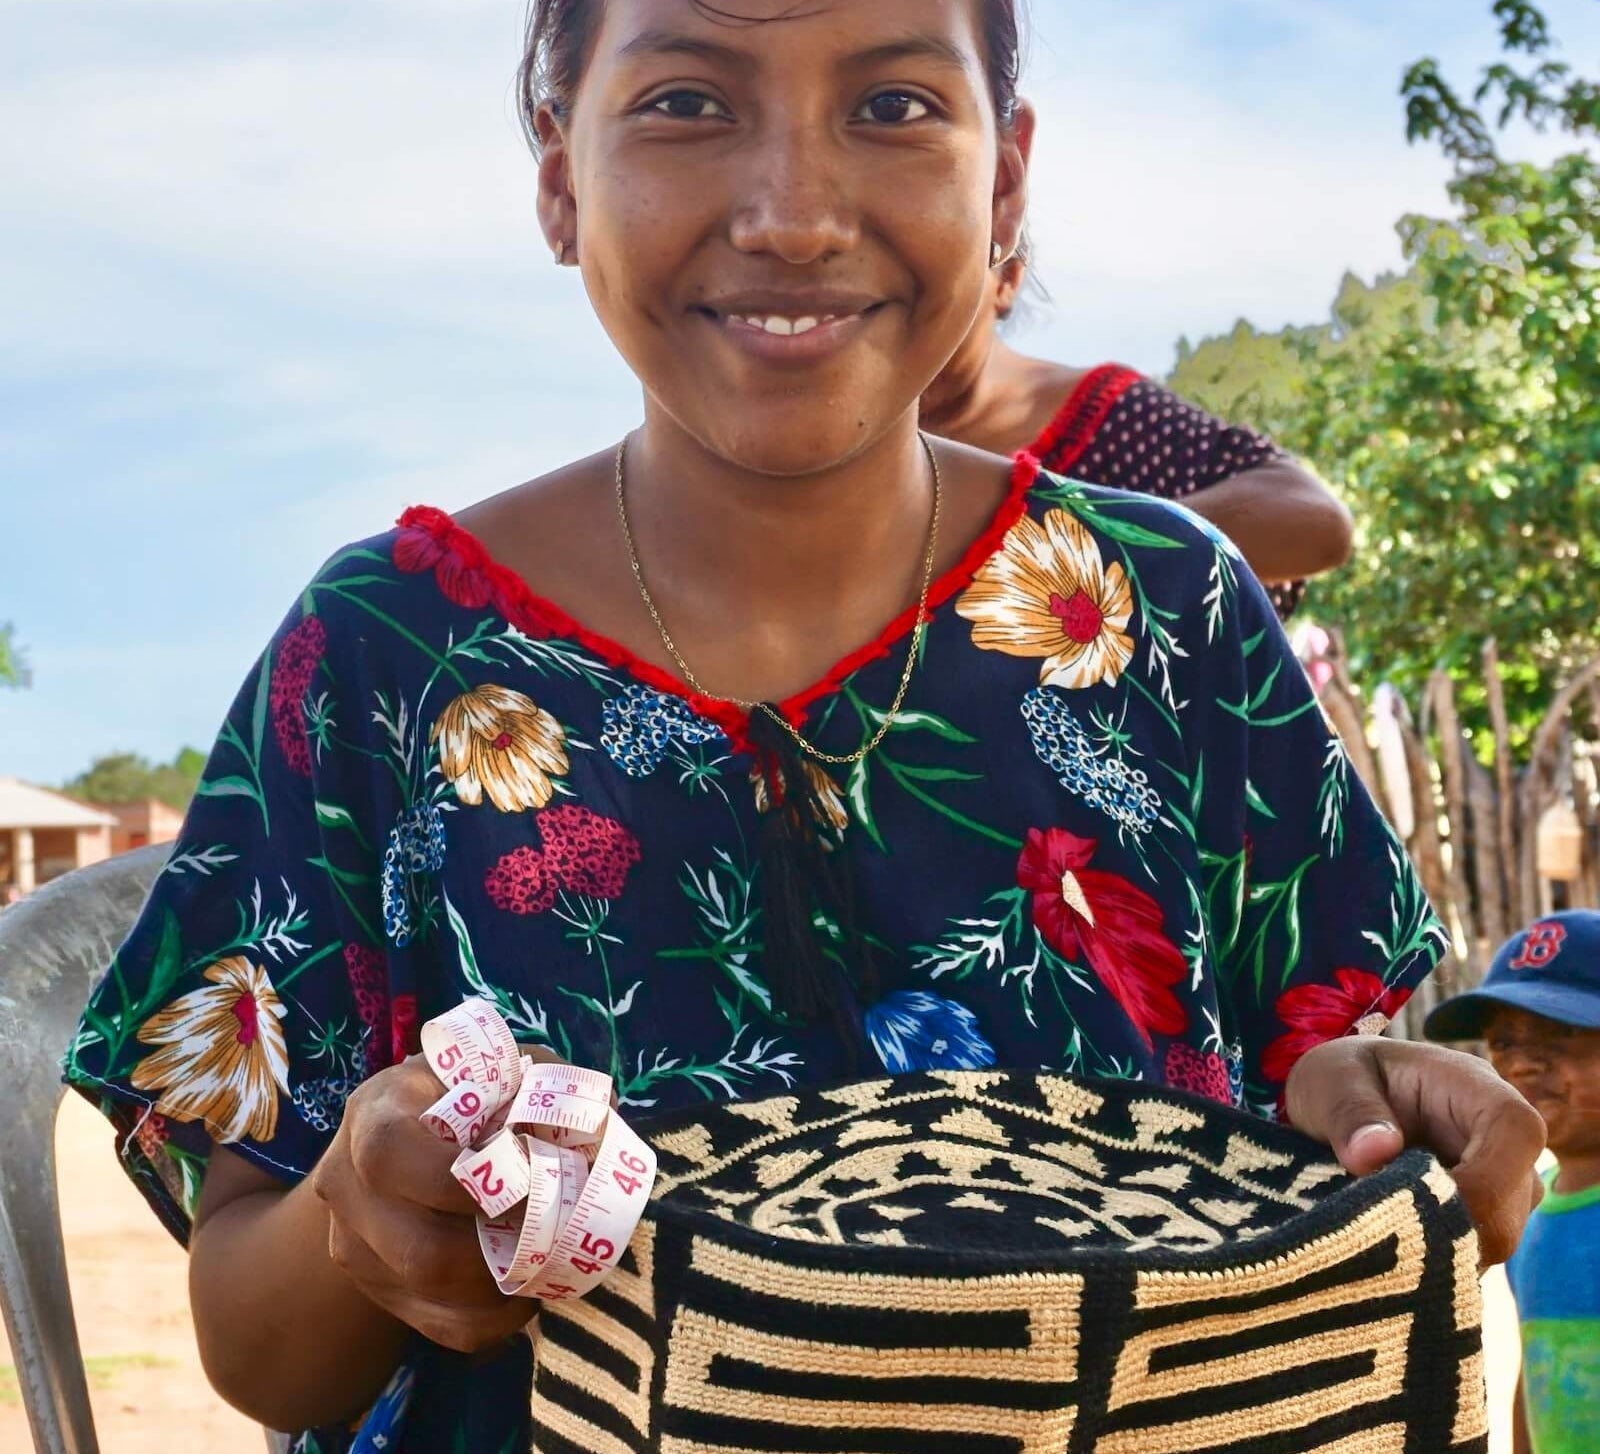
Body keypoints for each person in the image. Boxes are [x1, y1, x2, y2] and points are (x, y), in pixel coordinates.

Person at [62, 3, 1543, 1450]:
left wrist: (1366, 1112)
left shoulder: (1167, 611)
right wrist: (360, 1219)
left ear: (1005, 176)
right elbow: (259, 1349)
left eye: (894, 105)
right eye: (688, 102)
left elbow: (1310, 1079)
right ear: (562, 177)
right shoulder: (380, 659)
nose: (792, 212)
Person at [921, 114, 1354, 621]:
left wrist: (1073, 554)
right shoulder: (833, 453)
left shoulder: (1104, 420)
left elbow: (1313, 521)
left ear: (1008, 278)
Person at [1425, 911, 1600, 1454]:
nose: (1523, 1065)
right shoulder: (1528, 1212)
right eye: (1503, 1043)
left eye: (1564, 1033)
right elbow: (1534, 1370)